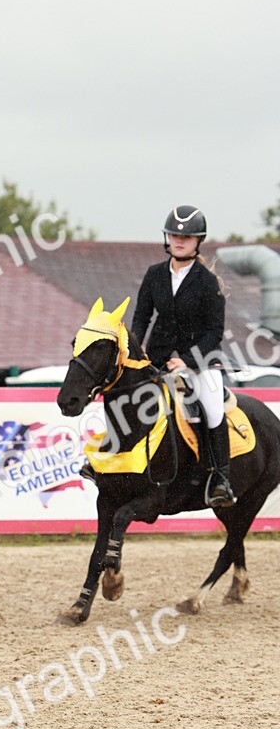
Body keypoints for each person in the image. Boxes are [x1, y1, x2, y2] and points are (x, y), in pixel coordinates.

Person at [132, 204, 234, 507]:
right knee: (125, 397)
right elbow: (141, 318)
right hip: (158, 358)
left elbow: (215, 332)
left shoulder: (207, 282)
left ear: (197, 241)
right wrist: (138, 353)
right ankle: (107, 460)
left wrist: (188, 361)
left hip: (201, 362)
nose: (179, 240)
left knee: (213, 408)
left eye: (186, 237)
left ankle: (220, 478)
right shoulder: (154, 275)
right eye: (174, 235)